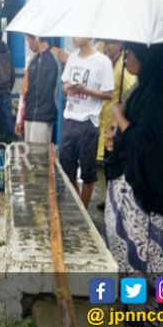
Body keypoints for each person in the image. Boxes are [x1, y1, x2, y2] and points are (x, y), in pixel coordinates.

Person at [104, 42, 163, 280]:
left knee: (150, 267)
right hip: (129, 203)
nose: (127, 57)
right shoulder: (143, 89)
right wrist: (116, 139)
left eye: (130, 52)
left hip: (149, 209)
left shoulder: (160, 95)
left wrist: (120, 118)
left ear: (147, 55)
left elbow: (149, 144)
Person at [60, 37, 114, 207]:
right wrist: (68, 88)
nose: (74, 37)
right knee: (66, 169)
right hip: (69, 118)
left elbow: (109, 94)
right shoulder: (72, 58)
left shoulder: (102, 62)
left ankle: (83, 213)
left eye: (78, 33)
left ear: (89, 35)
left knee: (88, 173)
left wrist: (86, 90)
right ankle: (79, 208)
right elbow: (64, 87)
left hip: (88, 122)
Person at [96, 40, 137, 164]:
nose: (105, 48)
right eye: (104, 44)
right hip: (101, 130)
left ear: (119, 46)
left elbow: (130, 97)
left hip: (113, 134)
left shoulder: (124, 69)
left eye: (109, 44)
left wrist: (117, 119)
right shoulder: (108, 63)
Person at [15, 35, 60, 143]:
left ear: (36, 38)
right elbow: (24, 91)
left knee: (38, 156)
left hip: (45, 115)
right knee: (31, 155)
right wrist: (19, 119)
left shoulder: (56, 55)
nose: (29, 45)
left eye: (29, 41)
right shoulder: (32, 60)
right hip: (30, 115)